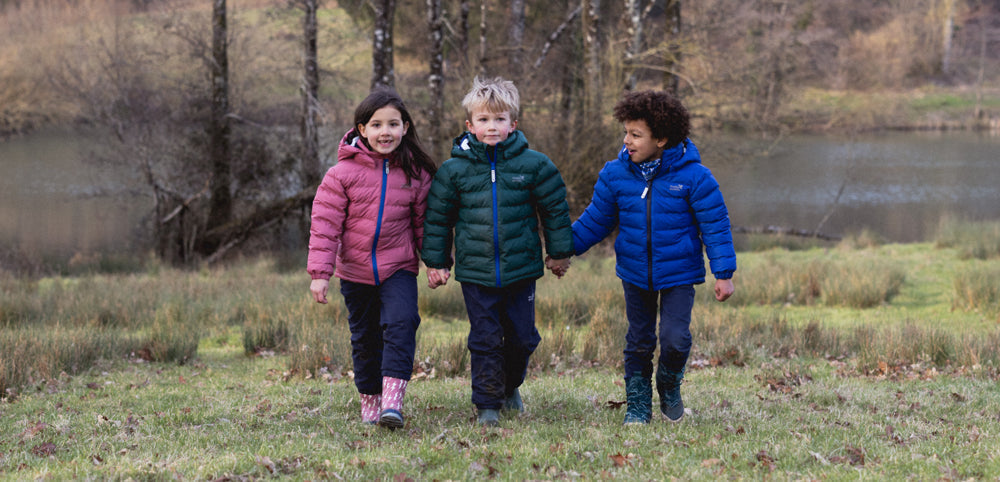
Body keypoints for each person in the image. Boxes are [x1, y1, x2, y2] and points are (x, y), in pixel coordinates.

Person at [571, 90, 736, 424]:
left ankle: (669, 384)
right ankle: (638, 404)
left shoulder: (695, 178)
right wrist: (561, 250)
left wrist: (724, 272)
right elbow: (594, 221)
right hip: (634, 273)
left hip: (679, 274)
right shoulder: (615, 175)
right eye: (626, 133)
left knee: (675, 339)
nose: (627, 141)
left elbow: (715, 227)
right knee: (639, 340)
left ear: (661, 138)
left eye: (636, 135)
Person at [421, 76, 574, 427]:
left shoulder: (534, 165)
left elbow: (554, 209)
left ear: (513, 124)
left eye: (500, 119)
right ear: (470, 125)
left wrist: (559, 252)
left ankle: (510, 386)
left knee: (522, 338)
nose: (492, 126)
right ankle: (487, 405)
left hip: (521, 270)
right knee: (485, 338)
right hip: (476, 273)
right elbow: (438, 219)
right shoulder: (453, 170)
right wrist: (437, 262)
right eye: (484, 120)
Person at [307, 87, 436, 429]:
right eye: (376, 125)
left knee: (402, 323)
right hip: (355, 271)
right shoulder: (341, 175)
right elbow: (325, 225)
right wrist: (320, 272)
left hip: (399, 267)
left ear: (405, 128)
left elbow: (425, 224)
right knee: (365, 338)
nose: (385, 132)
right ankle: (370, 400)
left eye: (393, 124)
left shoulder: (416, 174)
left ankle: (393, 401)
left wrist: (435, 262)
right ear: (362, 130)